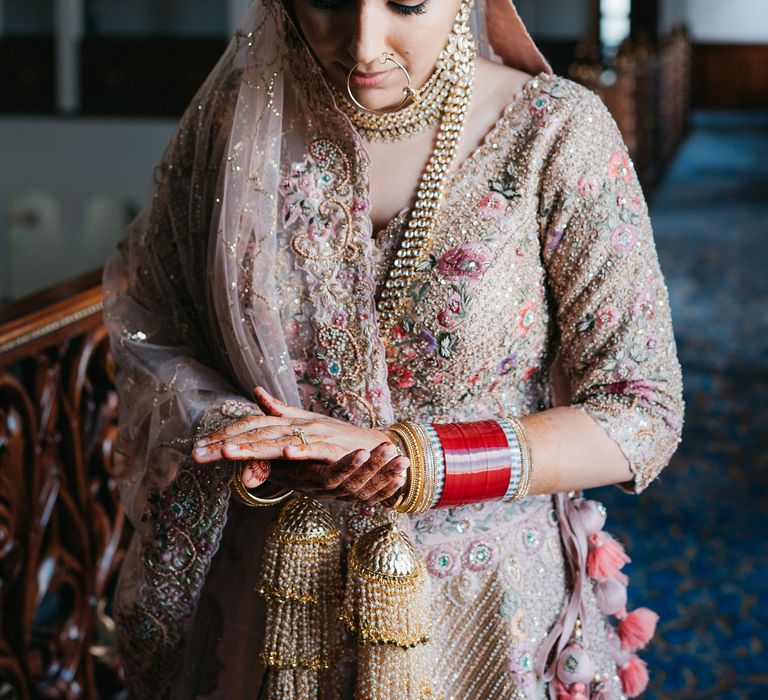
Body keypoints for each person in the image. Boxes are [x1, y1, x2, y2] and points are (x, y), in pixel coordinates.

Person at [103, 0, 684, 696]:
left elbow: (642, 411)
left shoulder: (555, 131)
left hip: (487, 609)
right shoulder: (235, 127)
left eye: (407, 2)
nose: (364, 44)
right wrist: (241, 432)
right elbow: (155, 329)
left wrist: (423, 463)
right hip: (276, 602)